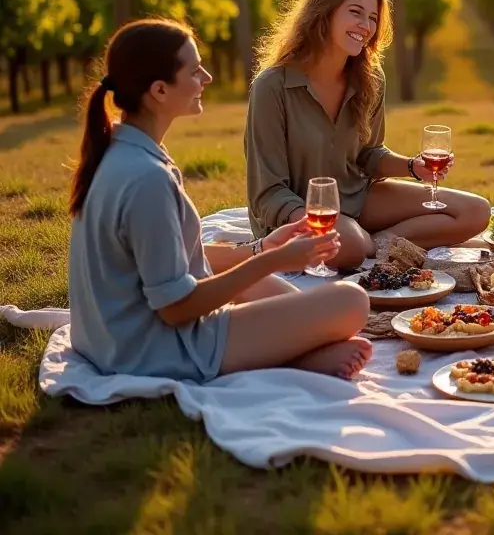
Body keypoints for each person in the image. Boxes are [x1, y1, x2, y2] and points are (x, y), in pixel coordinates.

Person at [68, 19, 373, 384]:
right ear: (160, 90)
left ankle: (301, 349)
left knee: (275, 291)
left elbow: (173, 257)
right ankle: (299, 355)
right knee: (350, 302)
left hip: (112, 340)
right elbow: (176, 309)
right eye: (195, 70)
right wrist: (278, 260)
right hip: (152, 350)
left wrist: (263, 247)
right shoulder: (147, 178)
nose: (208, 77)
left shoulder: (120, 150)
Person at [245, 0, 491, 270]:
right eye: (356, 12)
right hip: (299, 213)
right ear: (325, 11)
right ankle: (361, 241)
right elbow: (267, 192)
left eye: (373, 18)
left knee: (475, 211)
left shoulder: (370, 78)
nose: (366, 25)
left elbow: (369, 155)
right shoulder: (272, 87)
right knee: (348, 248)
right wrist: (317, 222)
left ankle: (375, 242)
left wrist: (414, 167)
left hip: (358, 198)